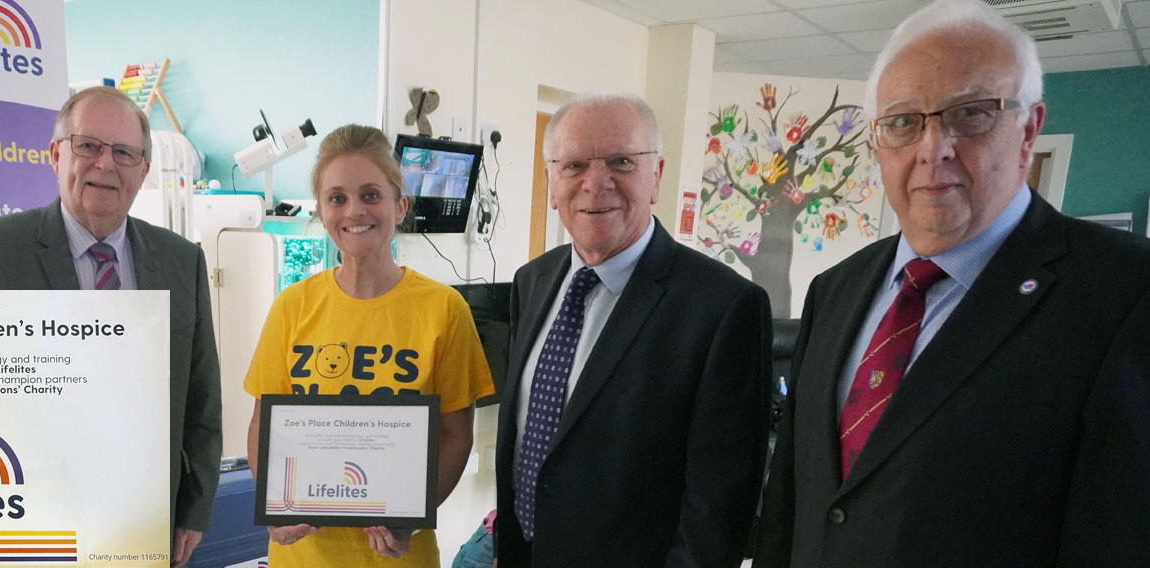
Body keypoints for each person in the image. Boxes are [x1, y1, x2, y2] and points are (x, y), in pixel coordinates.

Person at [754, 0, 1150, 565]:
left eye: (970, 114)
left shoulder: (1125, 292)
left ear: (1028, 129)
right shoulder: (836, 289)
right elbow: (793, 503)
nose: (931, 148)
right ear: (877, 142)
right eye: (902, 122)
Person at [493, 93, 772, 567]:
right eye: (574, 165)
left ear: (656, 176)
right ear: (551, 181)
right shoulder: (531, 282)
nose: (595, 183)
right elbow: (528, 442)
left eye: (621, 161)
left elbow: (718, 508)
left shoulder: (723, 306)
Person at [0, 86, 222, 567]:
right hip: (31, 521)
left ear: (143, 171)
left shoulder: (184, 261)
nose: (105, 164)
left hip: (146, 521)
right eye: (88, 146)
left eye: (124, 153)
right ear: (56, 155)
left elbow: (202, 400)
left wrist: (195, 510)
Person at [243, 124, 494, 567]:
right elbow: (265, 422)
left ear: (400, 206)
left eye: (371, 195)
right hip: (306, 556)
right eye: (337, 198)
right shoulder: (293, 307)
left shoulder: (444, 309)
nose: (354, 210)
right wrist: (275, 508)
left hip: (399, 557)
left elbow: (456, 435)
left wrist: (411, 521)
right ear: (321, 212)